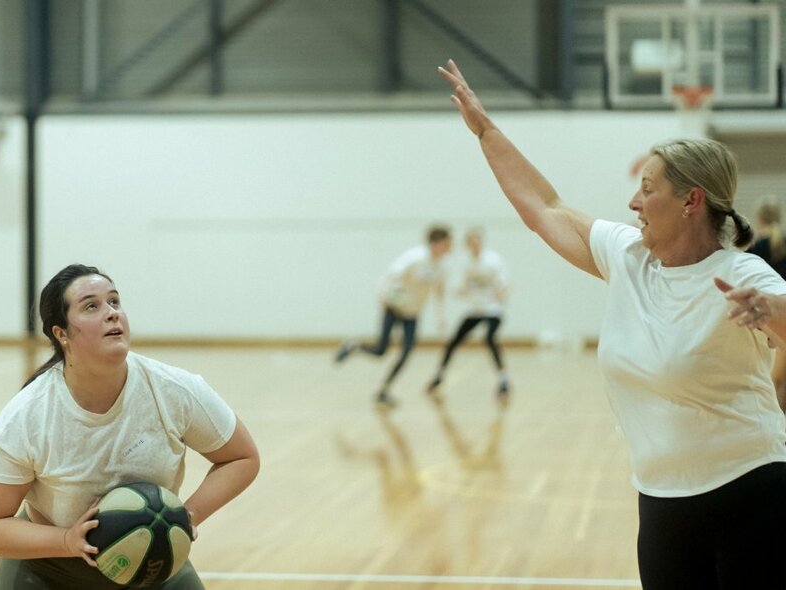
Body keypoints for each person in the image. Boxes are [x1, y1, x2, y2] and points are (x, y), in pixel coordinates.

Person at [440, 59, 786, 588]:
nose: (633, 202)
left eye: (647, 189)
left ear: (691, 201)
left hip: (751, 492)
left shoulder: (742, 272)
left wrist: (769, 312)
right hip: (662, 501)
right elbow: (546, 206)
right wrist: (486, 131)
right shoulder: (626, 255)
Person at [0, 264, 260, 590]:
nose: (112, 313)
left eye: (115, 302)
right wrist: (66, 540)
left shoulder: (172, 389)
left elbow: (241, 457)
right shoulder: (28, 416)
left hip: (152, 564)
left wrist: (186, 517)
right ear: (61, 334)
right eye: (92, 306)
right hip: (50, 572)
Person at [335, 226, 452, 407]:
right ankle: (353, 345)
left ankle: (383, 391)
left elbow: (440, 295)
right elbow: (391, 276)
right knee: (381, 350)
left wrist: (441, 320)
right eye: (446, 243)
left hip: (412, 313)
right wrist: (387, 298)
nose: (449, 247)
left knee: (406, 352)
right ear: (436, 243)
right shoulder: (415, 257)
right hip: (395, 306)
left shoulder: (440, 268)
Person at [427, 227, 511, 402]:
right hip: (475, 310)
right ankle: (439, 376)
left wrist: (501, 292)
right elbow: (462, 289)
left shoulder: (493, 260)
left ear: (481, 241)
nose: (475, 244)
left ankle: (503, 380)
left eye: (478, 240)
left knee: (489, 339)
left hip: (493, 310)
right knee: (453, 342)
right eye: (472, 241)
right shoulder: (466, 265)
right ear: (467, 244)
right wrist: (450, 290)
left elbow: (504, 283)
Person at [748, 197, 786, 413]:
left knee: (778, 382)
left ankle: (779, 439)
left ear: (759, 219)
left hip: (769, 322)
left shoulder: (755, 251)